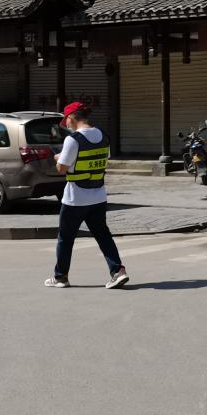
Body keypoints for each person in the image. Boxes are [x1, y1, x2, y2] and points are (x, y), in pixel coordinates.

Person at [45, 102, 129, 290]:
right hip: (98, 196)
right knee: (103, 236)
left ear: (71, 117)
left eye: (66, 121)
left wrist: (58, 158)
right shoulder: (103, 135)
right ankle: (118, 271)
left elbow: (62, 169)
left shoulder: (72, 139)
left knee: (66, 239)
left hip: (75, 199)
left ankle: (61, 277)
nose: (66, 125)